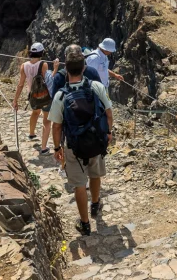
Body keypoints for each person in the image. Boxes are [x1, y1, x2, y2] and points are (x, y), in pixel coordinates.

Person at [49, 49, 114, 236]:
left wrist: (57, 147)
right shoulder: (96, 87)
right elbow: (109, 113)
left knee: (79, 184)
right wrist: (108, 133)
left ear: (66, 70)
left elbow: (56, 126)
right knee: (95, 174)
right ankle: (95, 204)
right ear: (84, 67)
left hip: (74, 145)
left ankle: (85, 224)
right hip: (96, 139)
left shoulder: (61, 95)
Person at [12, 43, 53, 153]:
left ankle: (31, 133)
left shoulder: (24, 66)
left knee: (35, 112)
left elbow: (20, 84)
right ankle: (44, 148)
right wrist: (56, 68)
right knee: (46, 121)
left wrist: (15, 100)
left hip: (32, 95)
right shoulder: (43, 64)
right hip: (45, 96)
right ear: (41, 52)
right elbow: (48, 80)